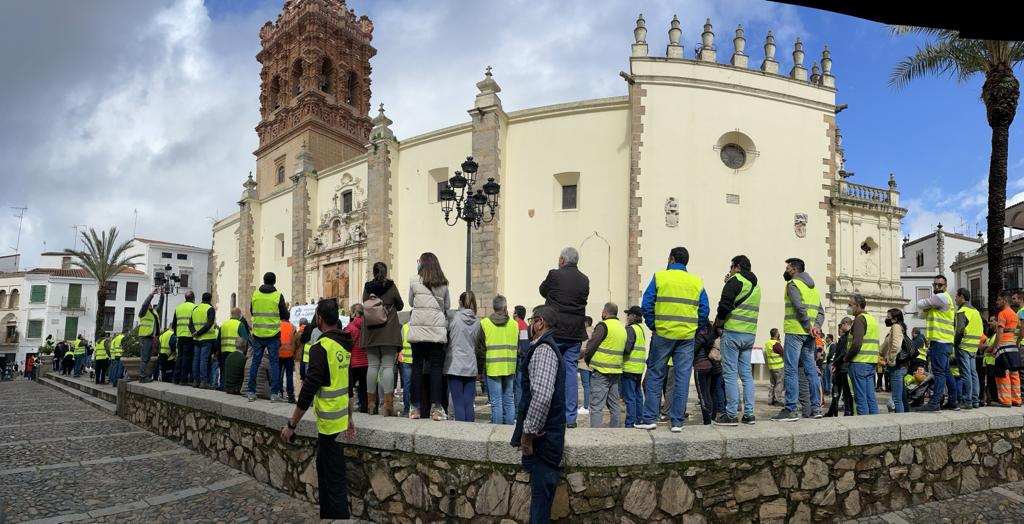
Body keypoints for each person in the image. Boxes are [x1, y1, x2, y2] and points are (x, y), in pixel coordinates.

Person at [279, 300, 355, 520]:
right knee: (329, 470)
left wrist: (292, 424)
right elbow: (348, 383)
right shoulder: (343, 344)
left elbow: (309, 388)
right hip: (339, 418)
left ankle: (338, 516)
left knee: (332, 476)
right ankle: (331, 515)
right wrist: (350, 417)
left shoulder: (321, 348)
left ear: (319, 318)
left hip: (329, 423)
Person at [636, 247, 708, 432]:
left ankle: (650, 418)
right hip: (686, 337)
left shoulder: (660, 277)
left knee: (655, 374)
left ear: (671, 259)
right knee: (682, 378)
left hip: (663, 333)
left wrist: (654, 325)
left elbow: (647, 303)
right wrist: (693, 327)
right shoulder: (696, 282)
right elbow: (704, 310)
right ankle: (677, 422)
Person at [510, 305, 564, 524]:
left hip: (543, 443)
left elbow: (541, 396)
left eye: (533, 320)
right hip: (549, 440)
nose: (531, 325)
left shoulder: (543, 350)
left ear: (540, 322)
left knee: (539, 513)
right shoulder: (549, 347)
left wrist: (528, 433)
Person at [538, 247, 590, 428]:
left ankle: (550, 413)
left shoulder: (554, 275)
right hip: (575, 332)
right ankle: (570, 417)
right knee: (570, 373)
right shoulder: (584, 280)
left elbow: (543, 291)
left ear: (562, 260)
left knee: (549, 371)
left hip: (556, 330)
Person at [772, 258, 824, 422]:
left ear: (794, 270)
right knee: (811, 370)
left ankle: (791, 410)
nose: (786, 271)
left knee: (791, 369)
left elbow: (799, 307)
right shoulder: (814, 289)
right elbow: (821, 312)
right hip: (809, 336)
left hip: (795, 331)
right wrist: (815, 326)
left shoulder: (793, 284)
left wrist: (808, 325)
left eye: (788, 268)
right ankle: (816, 408)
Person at [713, 255, 760, 426]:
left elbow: (724, 305)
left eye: (731, 266)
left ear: (737, 267)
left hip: (733, 332)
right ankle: (749, 414)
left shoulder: (736, 281)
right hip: (749, 335)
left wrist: (718, 323)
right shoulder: (756, 285)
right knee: (747, 375)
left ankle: (731, 414)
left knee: (730, 374)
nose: (730, 270)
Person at [407, 252, 451, 421]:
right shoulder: (443, 283)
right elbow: (447, 305)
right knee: (436, 369)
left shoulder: (413, 280)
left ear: (422, 264)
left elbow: (411, 302)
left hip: (418, 331)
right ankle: (437, 408)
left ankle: (415, 408)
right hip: (436, 331)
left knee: (416, 368)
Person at [362, 262, 405, 417]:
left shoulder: (367, 287)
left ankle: (371, 404)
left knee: (372, 366)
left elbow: (364, 305)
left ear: (373, 272)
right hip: (388, 331)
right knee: (387, 367)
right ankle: (388, 407)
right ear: (386, 272)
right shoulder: (391, 286)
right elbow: (400, 305)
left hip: (371, 331)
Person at [915, 275, 959, 411]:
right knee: (946, 372)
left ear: (945, 286)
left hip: (940, 341)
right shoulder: (938, 302)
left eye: (939, 285)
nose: (936, 287)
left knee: (939, 372)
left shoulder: (942, 298)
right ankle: (953, 401)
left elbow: (919, 304)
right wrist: (929, 306)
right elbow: (921, 314)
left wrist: (928, 305)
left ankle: (935, 403)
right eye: (934, 285)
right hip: (944, 341)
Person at [582, 303, 625, 429]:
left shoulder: (603, 325)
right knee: (614, 405)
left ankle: (596, 436)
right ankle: (615, 431)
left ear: (605, 312)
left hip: (601, 371)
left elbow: (591, 345)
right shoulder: (621, 327)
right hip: (616, 371)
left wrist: (587, 359)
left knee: (596, 406)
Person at [249, 272, 289, 402]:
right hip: (272, 334)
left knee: (255, 362)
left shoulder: (255, 294)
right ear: (274, 281)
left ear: (264, 280)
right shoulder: (278, 296)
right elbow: (285, 315)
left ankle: (251, 392)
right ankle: (274, 394)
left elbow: (251, 311)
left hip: (258, 334)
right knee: (274, 363)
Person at [478, 294, 517, 425]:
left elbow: (481, 349)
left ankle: (496, 434)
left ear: (493, 307)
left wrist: (480, 369)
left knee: (496, 402)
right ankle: (509, 432)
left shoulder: (484, 323)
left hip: (493, 368)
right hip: (509, 367)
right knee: (509, 400)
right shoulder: (514, 324)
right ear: (505, 307)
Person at [445, 291, 480, 422]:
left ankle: (461, 433)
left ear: (460, 302)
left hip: (455, 363)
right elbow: (475, 342)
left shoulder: (453, 317)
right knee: (468, 403)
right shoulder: (477, 321)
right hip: (470, 364)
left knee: (457, 401)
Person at [841, 294, 879, 415]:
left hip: (859, 363)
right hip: (870, 362)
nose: (849, 307)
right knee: (870, 398)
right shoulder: (872, 319)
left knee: (860, 399)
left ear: (857, 306)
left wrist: (846, 358)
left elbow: (857, 343)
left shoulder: (859, 319)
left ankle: (864, 428)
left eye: (850, 305)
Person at [991, 292, 1022, 407]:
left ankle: (1005, 400)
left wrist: (995, 347)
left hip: (1003, 346)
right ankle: (1016, 400)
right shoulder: (1014, 314)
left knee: (1002, 374)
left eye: (999, 300)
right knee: (1014, 373)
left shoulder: (1002, 314)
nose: (997, 302)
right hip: (1012, 346)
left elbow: (1000, 331)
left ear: (1005, 300)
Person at [955, 289, 983, 409]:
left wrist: (955, 343)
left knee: (966, 374)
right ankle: (975, 400)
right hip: (974, 346)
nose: (955, 299)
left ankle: (968, 401)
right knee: (973, 374)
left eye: (956, 296)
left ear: (961, 297)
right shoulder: (976, 311)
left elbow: (960, 330)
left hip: (964, 345)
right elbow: (981, 329)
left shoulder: (962, 311)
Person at [621, 306, 646, 428]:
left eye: (629, 314)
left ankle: (630, 423)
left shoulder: (631, 329)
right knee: (638, 396)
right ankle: (639, 419)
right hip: (639, 368)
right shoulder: (641, 329)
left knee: (630, 397)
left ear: (634, 316)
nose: (627, 317)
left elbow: (627, 348)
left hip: (629, 367)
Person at [825, 317, 854, 417]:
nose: (839, 330)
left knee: (846, 393)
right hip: (839, 368)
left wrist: (835, 363)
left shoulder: (848, 337)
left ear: (845, 325)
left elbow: (843, 353)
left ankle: (848, 412)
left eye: (840, 326)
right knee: (836, 392)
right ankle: (832, 411)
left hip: (844, 368)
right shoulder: (842, 338)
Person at [881, 308, 909, 413]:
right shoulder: (897, 327)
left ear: (895, 319)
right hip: (900, 366)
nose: (886, 319)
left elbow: (896, 346)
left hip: (897, 366)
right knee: (902, 397)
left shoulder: (896, 327)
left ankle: (901, 421)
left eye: (888, 317)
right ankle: (907, 418)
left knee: (897, 399)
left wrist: (891, 359)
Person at [344, 304, 368, 413]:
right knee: (363, 387)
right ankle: (364, 408)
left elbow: (346, 345)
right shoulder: (368, 326)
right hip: (366, 362)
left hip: (353, 362)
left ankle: (348, 408)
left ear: (354, 313)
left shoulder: (350, 327)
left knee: (348, 387)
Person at [190, 292, 217, 389]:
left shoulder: (195, 308)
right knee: (203, 361)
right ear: (210, 299)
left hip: (196, 339)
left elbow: (190, 323)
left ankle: (195, 381)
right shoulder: (210, 309)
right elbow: (209, 324)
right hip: (206, 339)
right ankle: (203, 381)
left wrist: (194, 332)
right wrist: (199, 332)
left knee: (195, 360)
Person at [137, 287, 163, 382]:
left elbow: (160, 305)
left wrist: (162, 295)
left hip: (151, 337)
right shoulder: (143, 312)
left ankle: (144, 376)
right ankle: (142, 377)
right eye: (149, 304)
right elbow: (145, 304)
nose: (150, 305)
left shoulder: (154, 312)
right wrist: (152, 294)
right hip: (145, 337)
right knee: (144, 358)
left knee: (147, 357)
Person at [172, 292, 198, 385]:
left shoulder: (178, 307)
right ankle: (183, 379)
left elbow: (174, 323)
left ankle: (175, 378)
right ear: (193, 298)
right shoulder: (194, 307)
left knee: (180, 357)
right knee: (187, 358)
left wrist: (176, 333)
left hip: (180, 335)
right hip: (189, 336)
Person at [220, 307, 247, 392]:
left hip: (223, 351)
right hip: (236, 352)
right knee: (236, 372)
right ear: (238, 314)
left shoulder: (224, 324)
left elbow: (218, 340)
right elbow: (244, 339)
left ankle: (223, 387)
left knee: (224, 371)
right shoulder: (240, 324)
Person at [513, 305, 530, 414]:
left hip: (519, 360)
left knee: (518, 386)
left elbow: (523, 345)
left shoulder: (519, 325)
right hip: (522, 359)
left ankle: (517, 412)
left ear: (516, 314)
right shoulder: (525, 326)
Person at [577, 316, 594, 417]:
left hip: (584, 362)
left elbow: (583, 348)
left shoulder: (586, 332)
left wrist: (577, 357)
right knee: (591, 385)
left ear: (586, 323)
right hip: (591, 363)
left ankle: (586, 406)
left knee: (586, 385)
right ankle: (591, 405)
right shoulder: (594, 331)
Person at [278, 312, 297, 402]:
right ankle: (290, 395)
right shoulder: (293, 327)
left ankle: (278, 392)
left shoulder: (277, 326)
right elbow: (295, 341)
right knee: (289, 375)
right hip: (289, 354)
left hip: (279, 353)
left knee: (278, 374)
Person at [764, 329, 784, 406]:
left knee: (772, 384)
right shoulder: (776, 344)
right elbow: (783, 353)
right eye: (778, 333)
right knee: (779, 384)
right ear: (776, 334)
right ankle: (777, 400)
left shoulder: (768, 343)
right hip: (778, 366)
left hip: (771, 366)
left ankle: (770, 400)